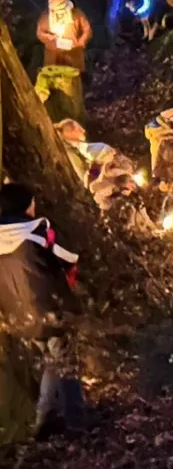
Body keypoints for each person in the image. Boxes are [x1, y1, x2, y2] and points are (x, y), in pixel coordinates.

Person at [0, 183, 84, 436]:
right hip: (50, 309)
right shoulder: (38, 229)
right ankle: (74, 420)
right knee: (65, 362)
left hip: (15, 314)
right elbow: (70, 256)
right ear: (26, 205)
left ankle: (44, 418)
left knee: (51, 362)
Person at [36, 0, 92, 74]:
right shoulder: (46, 15)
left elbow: (87, 31)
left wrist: (80, 42)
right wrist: (49, 37)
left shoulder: (76, 14)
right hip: (53, 56)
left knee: (72, 81)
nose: (50, 1)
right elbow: (40, 32)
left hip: (73, 55)